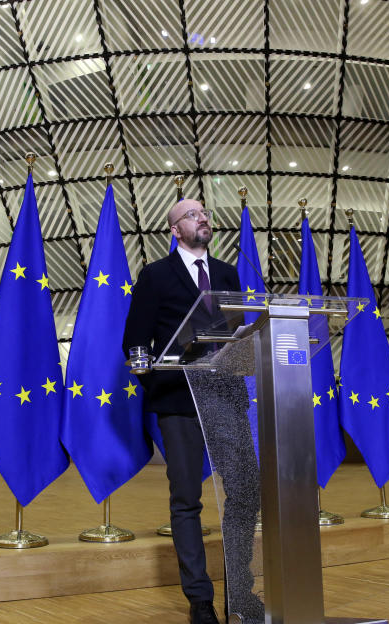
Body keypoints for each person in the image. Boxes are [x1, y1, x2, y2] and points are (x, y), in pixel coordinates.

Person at [123, 199, 261, 624]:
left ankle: (241, 591)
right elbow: (135, 343)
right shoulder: (155, 275)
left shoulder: (226, 273)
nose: (202, 218)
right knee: (187, 499)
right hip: (178, 402)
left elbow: (234, 334)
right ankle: (200, 600)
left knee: (243, 493)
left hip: (226, 398)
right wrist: (157, 384)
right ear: (175, 231)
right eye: (191, 215)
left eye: (204, 213)